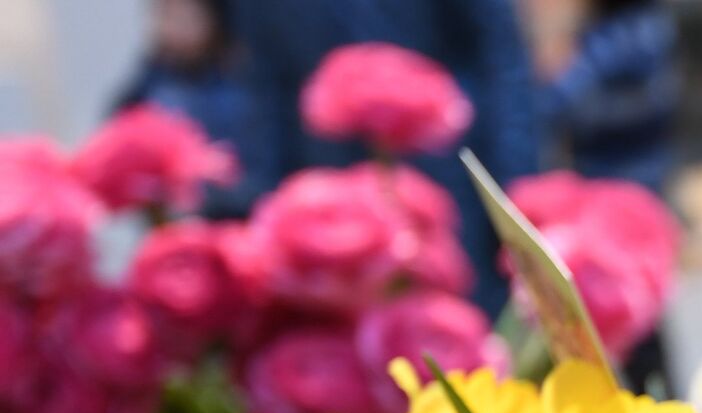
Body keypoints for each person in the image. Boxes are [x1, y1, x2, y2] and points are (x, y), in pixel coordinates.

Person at [227, 1, 541, 311]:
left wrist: (512, 205)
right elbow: (269, 87)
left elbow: (501, 62)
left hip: (449, 195)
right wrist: (271, 218)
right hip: (326, 209)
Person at [116, 0, 252, 215]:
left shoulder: (241, 76)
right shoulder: (151, 80)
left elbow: (258, 165)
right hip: (172, 216)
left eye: (185, 16)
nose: (174, 27)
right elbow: (119, 134)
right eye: (165, 16)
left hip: (234, 212)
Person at [540, 0, 680, 196]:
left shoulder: (622, 36)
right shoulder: (651, 27)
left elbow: (557, 103)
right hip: (637, 175)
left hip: (616, 180)